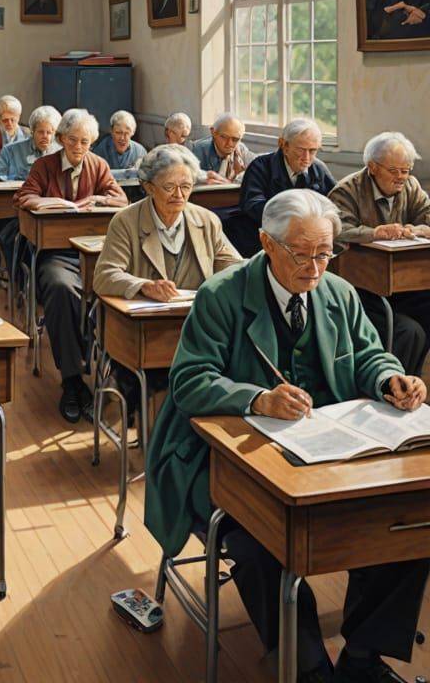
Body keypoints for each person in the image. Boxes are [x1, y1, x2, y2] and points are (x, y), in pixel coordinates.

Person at [145, 190, 429, 683]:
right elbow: (190, 380)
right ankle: (309, 665)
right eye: (303, 253)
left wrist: (389, 379)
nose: (316, 267)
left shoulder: (336, 293)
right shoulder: (223, 294)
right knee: (257, 540)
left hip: (329, 448)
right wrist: (258, 398)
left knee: (406, 522)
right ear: (266, 243)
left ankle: (362, 658)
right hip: (230, 453)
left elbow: (367, 355)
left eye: (326, 252)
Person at [93, 144, 241, 416]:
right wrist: (144, 286)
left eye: (186, 186)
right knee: (164, 380)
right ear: (149, 187)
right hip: (146, 331)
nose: (179, 195)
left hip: (198, 326)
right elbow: (105, 275)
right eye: (169, 187)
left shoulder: (206, 220)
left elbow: (234, 267)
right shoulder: (126, 221)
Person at [16, 109, 127, 422]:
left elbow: (121, 200)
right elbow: (25, 197)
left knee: (116, 292)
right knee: (62, 290)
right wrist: (54, 203)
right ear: (61, 138)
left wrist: (99, 200)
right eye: (74, 140)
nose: (79, 147)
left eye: (86, 142)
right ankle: (73, 380)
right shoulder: (45, 165)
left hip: (96, 254)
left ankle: (109, 377)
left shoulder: (99, 165)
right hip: (57, 252)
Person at [329, 131, 430, 376]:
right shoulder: (347, 190)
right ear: (372, 167)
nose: (401, 178)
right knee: (409, 331)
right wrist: (375, 233)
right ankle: (388, 383)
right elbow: (336, 230)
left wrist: (419, 228)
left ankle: (412, 381)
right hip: (361, 288)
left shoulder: (411, 186)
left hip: (403, 284)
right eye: (394, 171)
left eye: (406, 170)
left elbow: (426, 215)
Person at [235, 117, 336, 256]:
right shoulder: (260, 166)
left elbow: (335, 202)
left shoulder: (318, 168)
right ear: (284, 145)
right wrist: (293, 223)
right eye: (301, 150)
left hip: (308, 241)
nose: (306, 158)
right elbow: (253, 205)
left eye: (313, 151)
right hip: (264, 240)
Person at [0, 104, 61, 273]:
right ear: (32, 131)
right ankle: (16, 277)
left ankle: (36, 281)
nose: (45, 137)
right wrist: (16, 179)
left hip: (48, 211)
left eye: (50, 132)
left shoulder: (60, 152)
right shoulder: (12, 150)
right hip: (14, 209)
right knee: (12, 236)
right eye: (41, 132)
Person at [191, 111, 254, 183]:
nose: (229, 143)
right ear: (213, 132)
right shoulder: (197, 150)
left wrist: (239, 174)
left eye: (235, 139)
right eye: (224, 137)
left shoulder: (241, 149)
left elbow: (260, 168)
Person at [93, 110, 147, 181]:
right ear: (111, 132)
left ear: (132, 133)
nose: (122, 138)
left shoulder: (140, 152)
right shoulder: (101, 149)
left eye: (126, 133)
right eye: (118, 133)